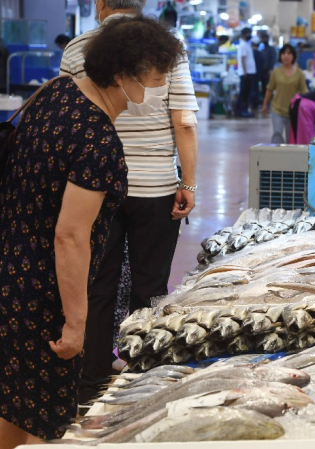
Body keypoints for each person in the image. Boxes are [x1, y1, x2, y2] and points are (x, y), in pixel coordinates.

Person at [0, 15, 184, 448]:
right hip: (42, 294)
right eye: (157, 79)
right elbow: (70, 237)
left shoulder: (55, 93)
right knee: (40, 420)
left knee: (11, 404)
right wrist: (76, 324)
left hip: (9, 271)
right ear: (124, 76)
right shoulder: (98, 141)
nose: (160, 90)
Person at [60, 0, 199, 405]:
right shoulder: (168, 49)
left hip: (93, 188)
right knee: (150, 286)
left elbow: (68, 116)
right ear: (142, 6)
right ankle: (142, 379)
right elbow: (185, 122)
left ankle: (91, 381)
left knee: (98, 283)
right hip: (155, 186)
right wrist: (188, 183)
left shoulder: (77, 48)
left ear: (101, 4)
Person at [262, 44, 308, 144]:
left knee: (290, 138)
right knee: (277, 133)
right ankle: (276, 155)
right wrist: (265, 104)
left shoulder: (299, 73)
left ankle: (288, 157)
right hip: (277, 109)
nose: (286, 56)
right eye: (283, 53)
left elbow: (304, 91)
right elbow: (269, 89)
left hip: (292, 111)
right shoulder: (276, 72)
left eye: (289, 53)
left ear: (293, 56)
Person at [236, 27, 257, 117]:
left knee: (247, 93)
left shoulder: (246, 44)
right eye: (248, 33)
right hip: (246, 73)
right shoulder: (243, 45)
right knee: (244, 93)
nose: (250, 35)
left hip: (249, 72)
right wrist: (245, 72)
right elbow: (242, 59)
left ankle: (244, 110)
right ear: (244, 34)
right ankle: (241, 111)